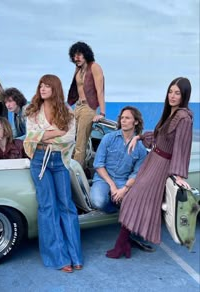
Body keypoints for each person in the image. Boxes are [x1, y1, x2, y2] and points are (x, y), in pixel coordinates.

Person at [106, 77, 193, 259]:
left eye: (177, 93)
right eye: (170, 91)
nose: (172, 96)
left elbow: (182, 146)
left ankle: (121, 245)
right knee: (134, 200)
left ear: (184, 95)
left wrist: (178, 174)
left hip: (162, 165)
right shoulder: (171, 113)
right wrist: (138, 138)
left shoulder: (183, 117)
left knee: (132, 200)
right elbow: (159, 136)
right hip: (152, 160)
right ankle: (125, 245)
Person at [24, 74, 83, 273]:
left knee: (67, 205)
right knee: (48, 207)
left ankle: (75, 255)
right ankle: (58, 257)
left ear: (55, 89)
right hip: (39, 161)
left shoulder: (67, 112)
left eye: (47, 86)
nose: (43, 88)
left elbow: (68, 139)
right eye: (41, 84)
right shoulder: (32, 111)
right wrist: (55, 133)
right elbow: (29, 139)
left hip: (60, 161)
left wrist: (44, 136)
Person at [90, 106, 147, 213]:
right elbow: (98, 164)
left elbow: (136, 173)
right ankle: (114, 208)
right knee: (98, 201)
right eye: (122, 118)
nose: (123, 121)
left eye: (127, 118)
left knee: (135, 203)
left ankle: (121, 204)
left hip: (123, 181)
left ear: (136, 122)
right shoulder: (108, 138)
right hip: (103, 179)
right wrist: (112, 185)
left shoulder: (140, 148)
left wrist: (124, 190)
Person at [67, 41, 105, 169]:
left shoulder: (94, 67)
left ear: (86, 54)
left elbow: (100, 90)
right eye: (74, 55)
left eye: (79, 54)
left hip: (88, 108)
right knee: (70, 139)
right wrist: (68, 106)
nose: (76, 58)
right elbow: (74, 88)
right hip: (77, 107)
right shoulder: (77, 69)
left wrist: (102, 113)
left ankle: (76, 174)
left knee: (80, 144)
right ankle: (70, 168)